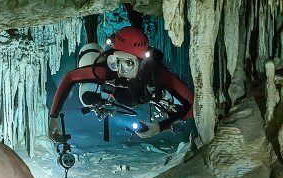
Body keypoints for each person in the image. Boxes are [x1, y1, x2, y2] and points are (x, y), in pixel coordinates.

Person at [48, 26, 194, 140]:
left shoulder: (156, 75)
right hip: (115, 94)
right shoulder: (106, 71)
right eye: (114, 62)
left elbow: (192, 105)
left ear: (141, 63)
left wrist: (161, 127)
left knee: (173, 103)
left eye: (128, 63)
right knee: (87, 97)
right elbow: (70, 78)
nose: (119, 70)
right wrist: (53, 116)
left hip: (145, 94)